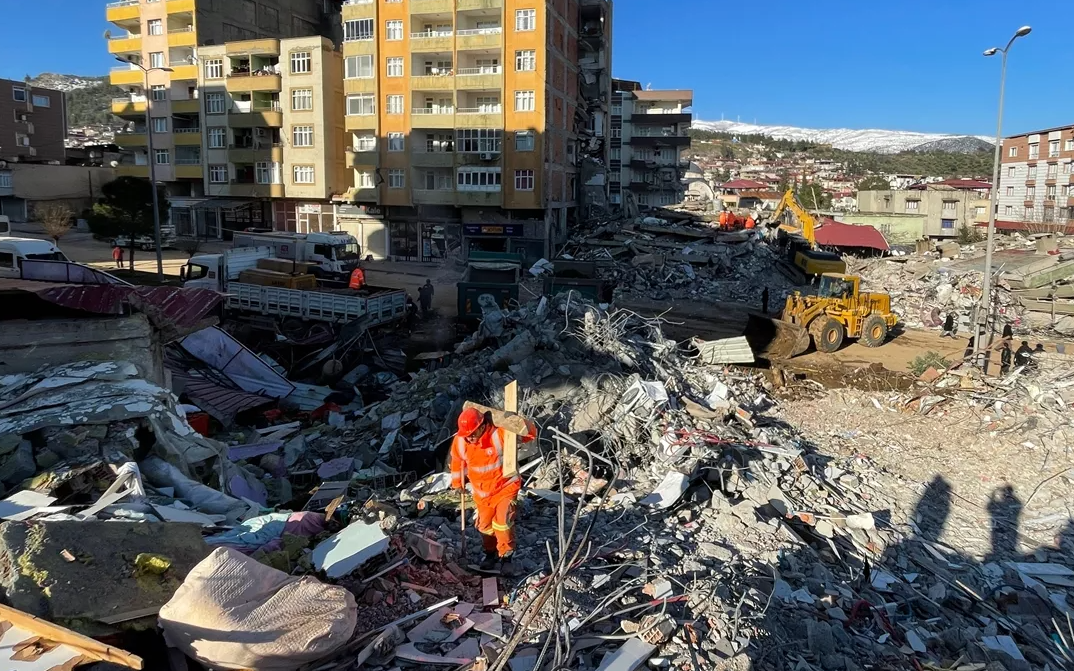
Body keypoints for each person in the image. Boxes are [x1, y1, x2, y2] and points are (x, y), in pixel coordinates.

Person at [451, 407, 537, 574]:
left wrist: (520, 423)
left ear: (482, 426)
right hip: (482, 494)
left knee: (503, 522)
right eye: (466, 434)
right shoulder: (461, 441)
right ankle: (491, 555)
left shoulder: (499, 435)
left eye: (472, 433)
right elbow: (457, 461)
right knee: (484, 527)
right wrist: (457, 483)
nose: (469, 438)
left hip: (504, 487)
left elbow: (530, 435)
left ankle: (506, 557)